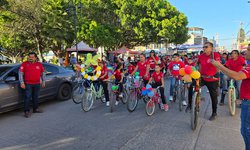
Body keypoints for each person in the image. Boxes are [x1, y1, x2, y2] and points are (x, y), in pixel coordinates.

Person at [211, 44, 250, 150]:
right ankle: (224, 92)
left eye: (248, 50)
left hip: (240, 77)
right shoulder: (230, 60)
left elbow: (237, 75)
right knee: (224, 79)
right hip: (234, 74)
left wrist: (219, 66)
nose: (246, 52)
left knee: (246, 130)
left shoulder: (242, 59)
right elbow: (227, 67)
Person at [198, 42, 221, 121]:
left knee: (213, 96)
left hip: (212, 79)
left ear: (211, 48)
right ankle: (191, 104)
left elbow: (218, 65)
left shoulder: (215, 55)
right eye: (203, 47)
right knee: (192, 86)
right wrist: (198, 74)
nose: (204, 48)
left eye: (206, 47)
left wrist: (217, 74)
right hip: (203, 78)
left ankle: (214, 113)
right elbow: (199, 65)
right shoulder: (201, 56)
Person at [19, 52, 45, 118]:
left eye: (32, 57)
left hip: (37, 83)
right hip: (28, 84)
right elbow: (20, 73)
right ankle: (26, 111)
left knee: (35, 97)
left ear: (35, 57)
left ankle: (35, 109)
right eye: (29, 57)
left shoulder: (39, 64)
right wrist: (22, 82)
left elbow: (42, 73)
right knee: (27, 97)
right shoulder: (24, 64)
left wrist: (43, 81)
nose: (30, 58)